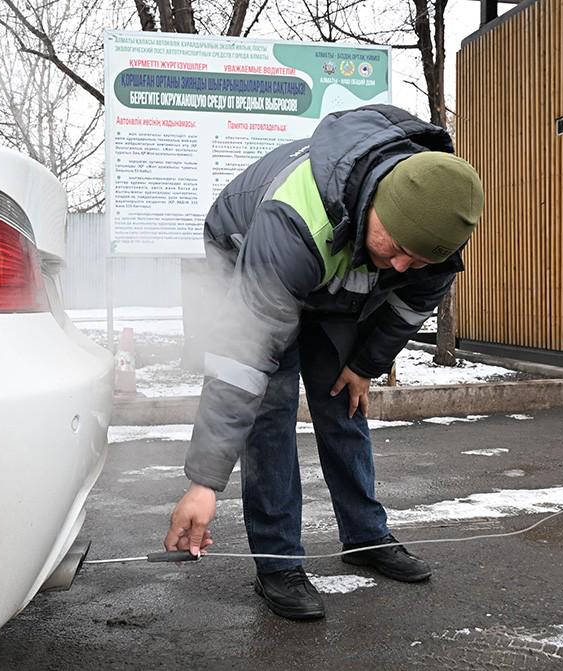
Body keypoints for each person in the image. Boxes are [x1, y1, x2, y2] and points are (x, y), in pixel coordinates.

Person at [163, 104, 484, 620]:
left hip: (334, 272)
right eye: (398, 248)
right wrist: (204, 482)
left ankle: (365, 536)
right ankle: (278, 561)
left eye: (417, 261)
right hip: (251, 256)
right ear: (378, 203)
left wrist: (364, 365)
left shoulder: (432, 240)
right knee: (270, 406)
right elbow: (242, 360)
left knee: (342, 397)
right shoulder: (292, 223)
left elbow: (408, 308)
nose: (402, 266)